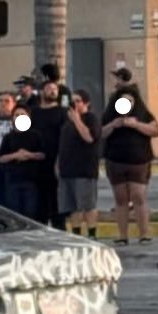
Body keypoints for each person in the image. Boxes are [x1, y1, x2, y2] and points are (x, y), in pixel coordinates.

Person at [100, 73, 158, 245]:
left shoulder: (143, 113)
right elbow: (100, 133)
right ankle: (122, 235)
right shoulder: (110, 113)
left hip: (139, 160)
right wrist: (113, 125)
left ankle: (143, 233)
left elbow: (155, 130)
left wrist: (136, 125)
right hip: (115, 160)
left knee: (138, 196)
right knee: (120, 199)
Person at [57, 90, 101, 239]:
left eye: (78, 101)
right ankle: (76, 234)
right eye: (72, 101)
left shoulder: (91, 119)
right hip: (67, 170)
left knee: (87, 205)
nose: (74, 104)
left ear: (86, 103)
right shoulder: (67, 122)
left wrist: (77, 120)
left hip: (84, 170)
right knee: (72, 206)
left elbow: (89, 138)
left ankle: (92, 233)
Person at [0, 105, 46, 219]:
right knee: (14, 214)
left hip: (32, 181)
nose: (19, 117)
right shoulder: (8, 137)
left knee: (31, 213)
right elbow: (1, 158)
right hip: (13, 181)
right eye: (16, 115)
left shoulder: (36, 135)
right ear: (12, 118)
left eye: (22, 115)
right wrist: (15, 155)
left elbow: (43, 155)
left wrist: (29, 155)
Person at [32, 82, 66, 227]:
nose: (53, 92)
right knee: (39, 204)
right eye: (49, 89)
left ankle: (59, 231)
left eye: (55, 89)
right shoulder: (33, 112)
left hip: (56, 162)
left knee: (57, 203)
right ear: (41, 92)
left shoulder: (63, 112)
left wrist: (60, 160)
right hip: (37, 163)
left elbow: (65, 138)